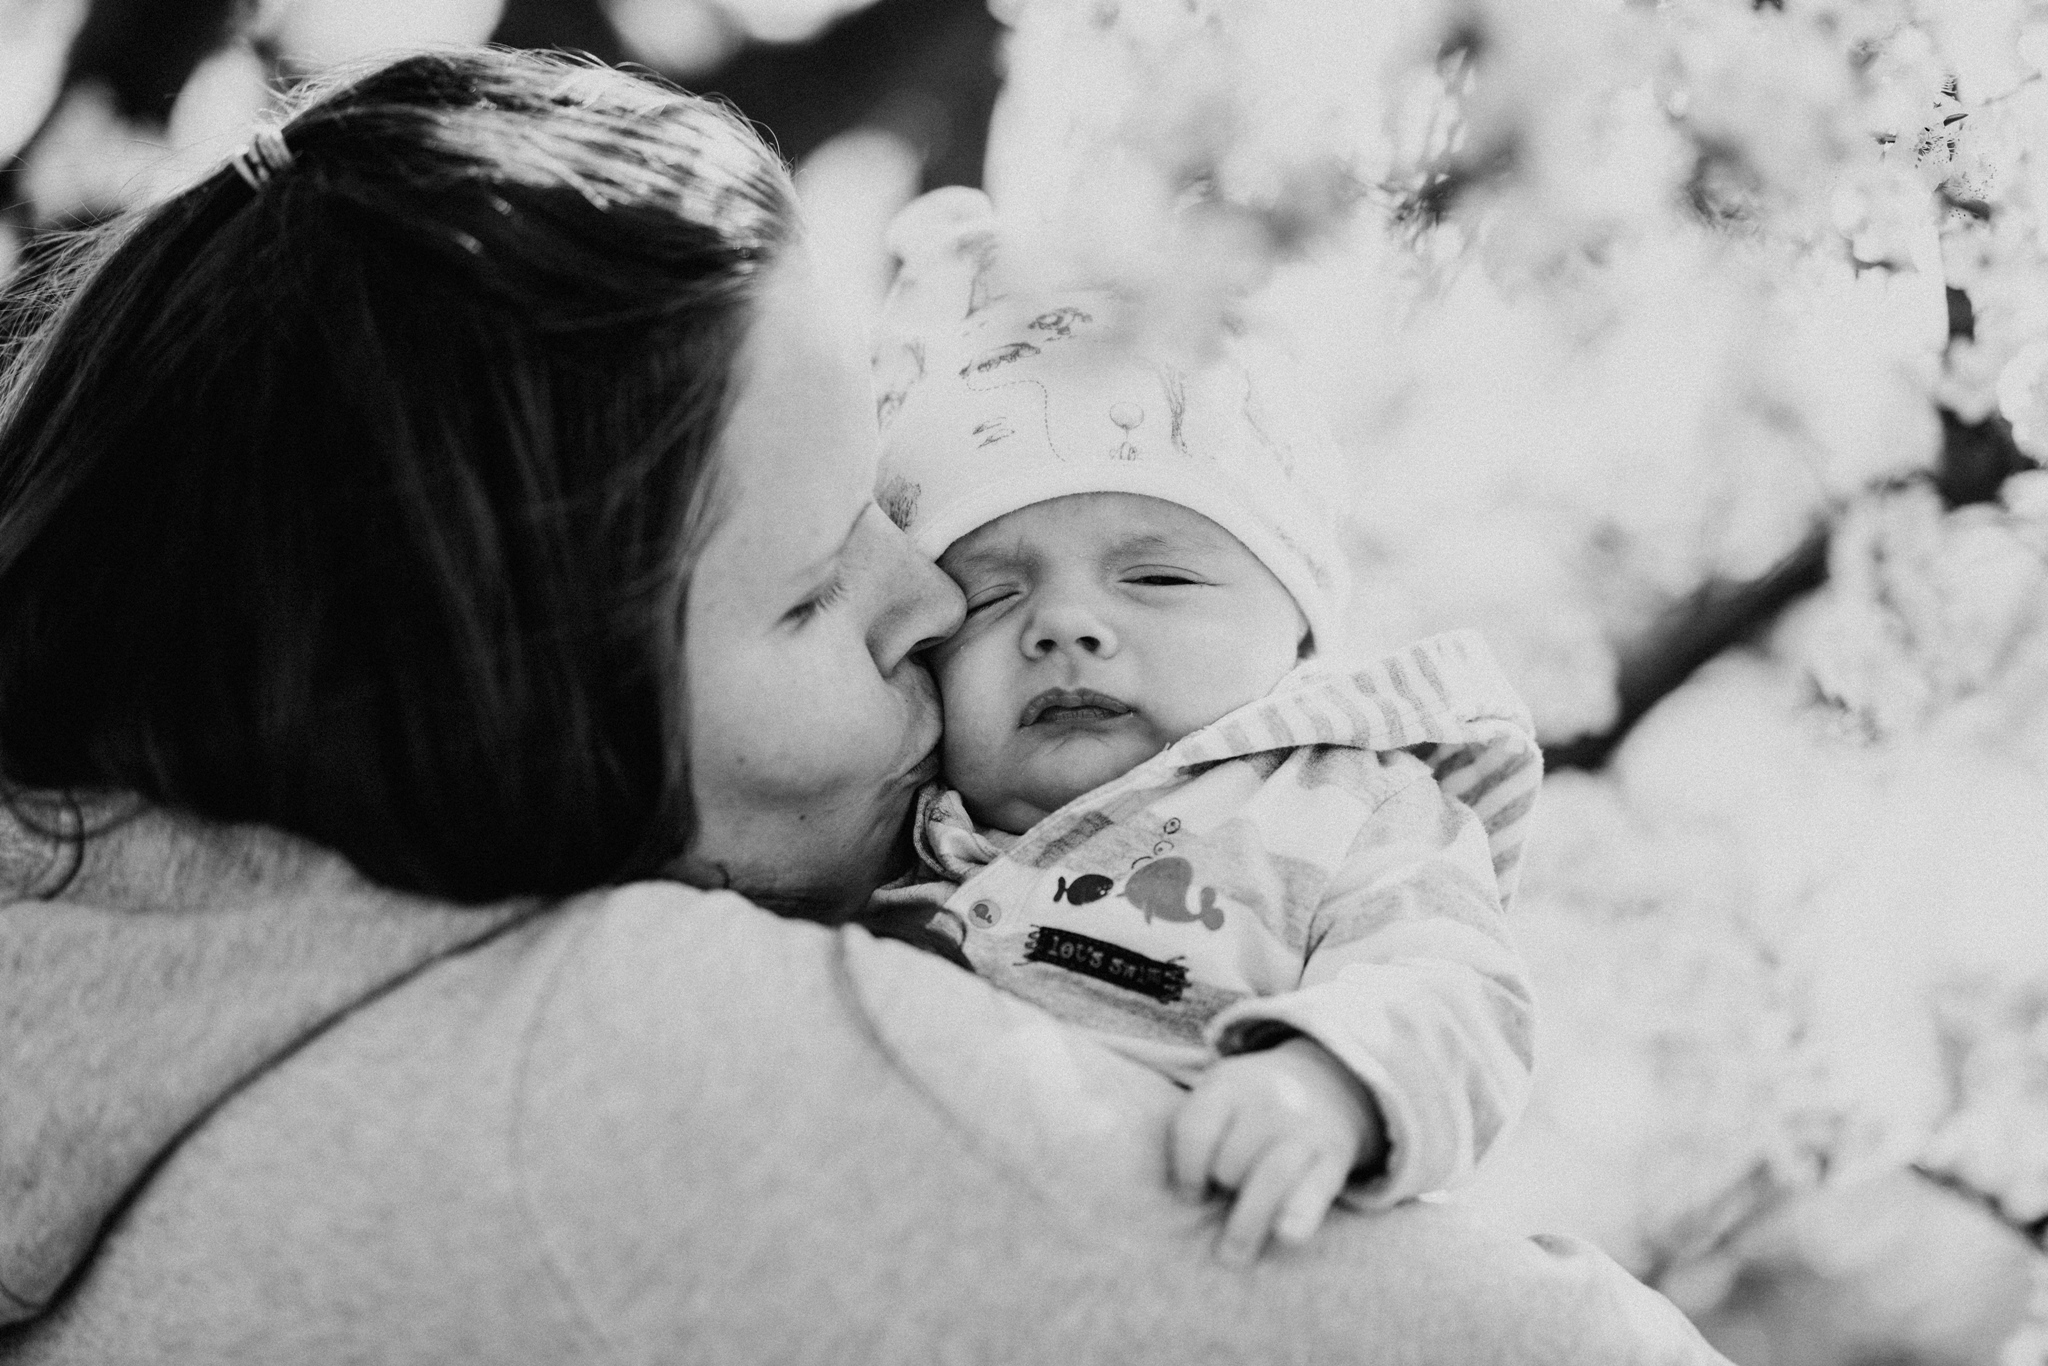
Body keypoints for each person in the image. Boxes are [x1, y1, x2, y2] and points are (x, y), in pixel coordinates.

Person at [0, 46, 1731, 1365]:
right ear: (520, 707)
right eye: (819, 584)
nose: (938, 600)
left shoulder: (134, 1069)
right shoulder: (618, 1068)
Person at [867, 189, 1542, 1266]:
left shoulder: (1346, 805)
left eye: (1157, 576)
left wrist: (1327, 1080)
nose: (1065, 624)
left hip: (1187, 1241)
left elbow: (1454, 987)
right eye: (992, 596)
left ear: (1298, 632)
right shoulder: (900, 815)